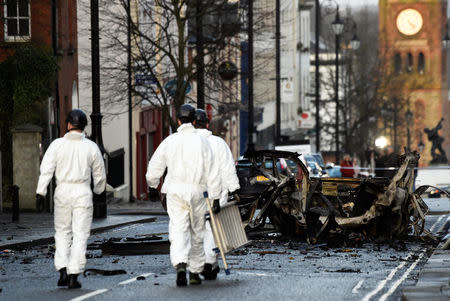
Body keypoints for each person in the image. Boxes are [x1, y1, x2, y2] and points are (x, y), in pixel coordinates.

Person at [146, 104, 221, 287]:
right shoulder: (203, 143)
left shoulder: (170, 141)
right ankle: (194, 272)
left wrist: (153, 187)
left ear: (178, 120)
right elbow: (212, 172)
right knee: (197, 232)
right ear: (195, 121)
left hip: (175, 191)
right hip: (198, 191)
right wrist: (216, 197)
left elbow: (154, 167)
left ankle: (180, 264)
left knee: (178, 228)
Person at [36, 109, 106, 289]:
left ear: (68, 124)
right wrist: (98, 190)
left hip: (62, 192)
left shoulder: (57, 145)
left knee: (62, 232)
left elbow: (46, 169)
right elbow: (99, 174)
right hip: (82, 192)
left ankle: (62, 270)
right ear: (83, 127)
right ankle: (74, 274)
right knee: (80, 234)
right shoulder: (91, 147)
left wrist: (41, 192)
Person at [194, 109, 240, 280]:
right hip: (216, 191)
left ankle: (205, 261)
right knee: (212, 227)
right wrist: (234, 189)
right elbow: (228, 168)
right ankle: (209, 261)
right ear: (207, 124)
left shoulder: (186, 142)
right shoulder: (218, 143)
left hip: (194, 190)